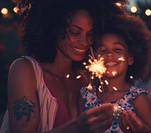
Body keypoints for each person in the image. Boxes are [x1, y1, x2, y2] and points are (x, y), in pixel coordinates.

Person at [0, 0, 127, 132]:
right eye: (75, 32)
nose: (84, 42)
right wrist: (77, 127)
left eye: (90, 34)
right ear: (54, 27)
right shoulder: (25, 70)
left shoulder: (84, 80)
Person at [80, 13, 151, 133]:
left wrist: (141, 130)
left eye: (117, 49)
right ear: (94, 58)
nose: (110, 54)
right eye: (103, 50)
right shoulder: (86, 95)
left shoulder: (136, 98)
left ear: (130, 58)